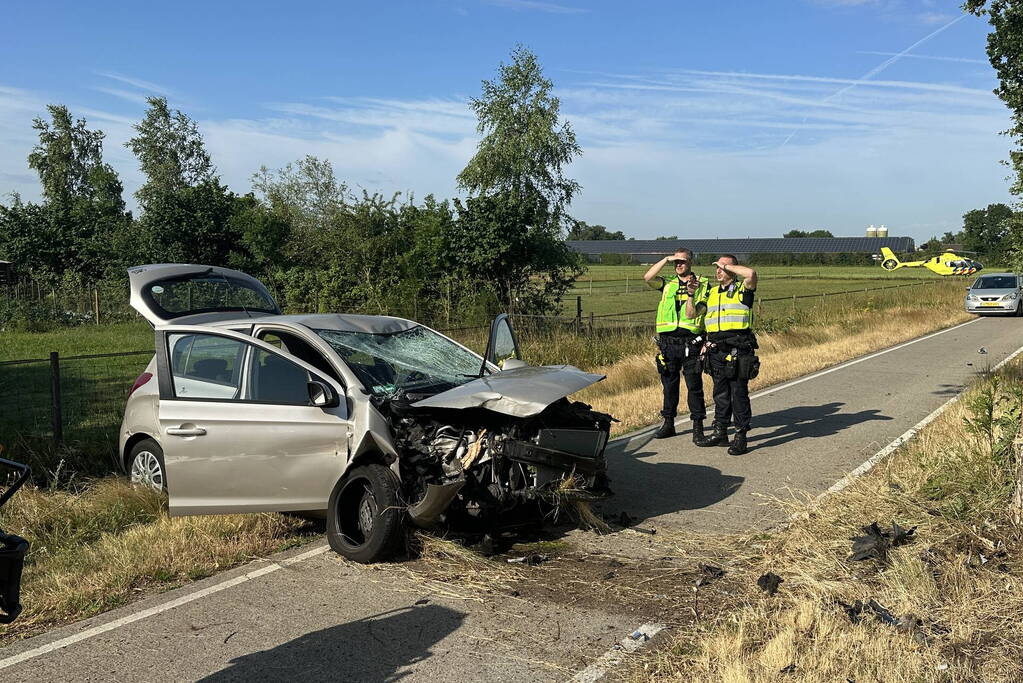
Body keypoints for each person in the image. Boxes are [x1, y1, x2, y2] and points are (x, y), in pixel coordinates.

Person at [686, 254, 759, 455]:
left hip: (737, 348)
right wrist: (691, 295)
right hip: (716, 349)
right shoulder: (711, 293)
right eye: (717, 268)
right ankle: (720, 432)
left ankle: (741, 436)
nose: (718, 270)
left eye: (722, 267)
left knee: (738, 394)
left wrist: (729, 266)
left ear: (733, 269)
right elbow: (691, 314)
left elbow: (751, 273)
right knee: (720, 394)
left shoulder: (743, 290)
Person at [643, 247, 710, 441]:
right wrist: (665, 258)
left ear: (691, 263)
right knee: (669, 385)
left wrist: (691, 293)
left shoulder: (703, 284)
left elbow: (693, 313)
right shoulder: (668, 284)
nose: (678, 265)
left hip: (691, 342)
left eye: (682, 261)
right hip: (668, 343)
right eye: (676, 262)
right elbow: (647, 277)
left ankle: (698, 426)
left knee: (694, 386)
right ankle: (668, 423)